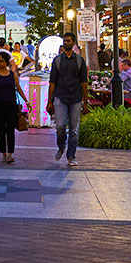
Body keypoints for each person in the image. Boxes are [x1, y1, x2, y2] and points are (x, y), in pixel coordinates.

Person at [47, 32, 88, 167]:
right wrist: (49, 101)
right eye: (64, 41)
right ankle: (61, 145)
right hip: (60, 96)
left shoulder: (79, 60)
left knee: (74, 129)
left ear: (74, 43)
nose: (66, 43)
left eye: (69, 41)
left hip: (75, 97)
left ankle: (71, 155)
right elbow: (52, 82)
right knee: (60, 125)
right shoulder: (57, 61)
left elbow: (84, 82)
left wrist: (85, 101)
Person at [0, 51, 29, 163]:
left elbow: (18, 88)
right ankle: (4, 153)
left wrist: (26, 101)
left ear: (6, 62)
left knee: (10, 130)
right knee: (0, 130)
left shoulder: (13, 75)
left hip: (11, 105)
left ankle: (10, 153)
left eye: (1, 61)